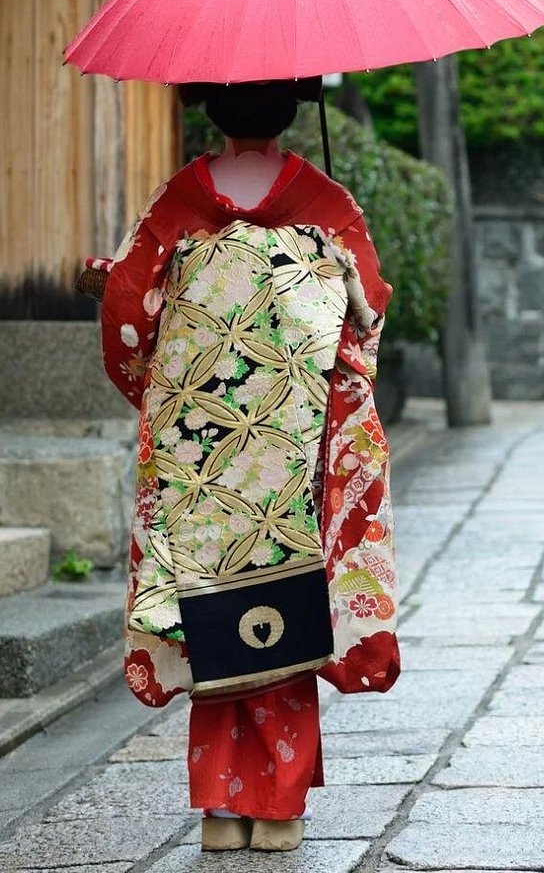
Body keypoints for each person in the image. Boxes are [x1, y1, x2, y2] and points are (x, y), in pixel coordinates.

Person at [95, 80, 399, 852]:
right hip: (295, 441)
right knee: (287, 596)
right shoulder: (324, 201)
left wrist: (169, 401)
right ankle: (280, 809)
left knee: (208, 597)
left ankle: (221, 811)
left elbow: (127, 314)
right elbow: (367, 316)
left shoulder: (176, 203)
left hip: (201, 441)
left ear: (211, 112)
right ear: (293, 111)